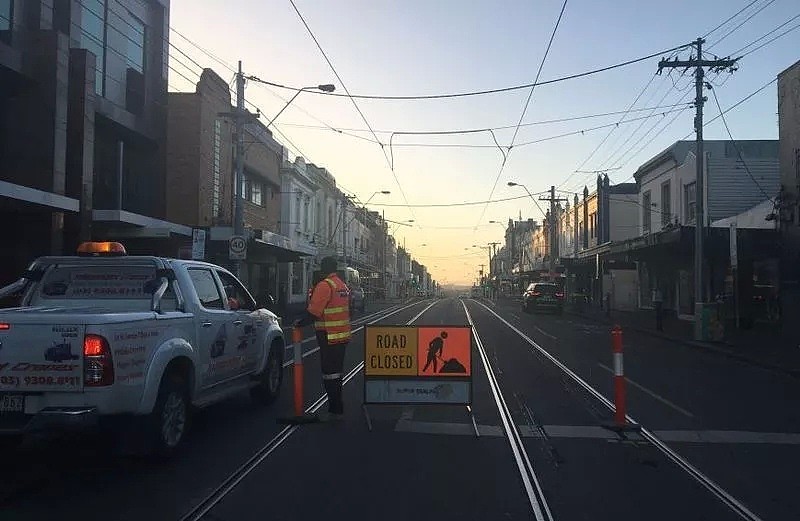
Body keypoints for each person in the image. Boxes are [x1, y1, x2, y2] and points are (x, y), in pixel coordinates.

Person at [294, 257, 351, 421]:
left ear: (324, 269)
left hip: (328, 336)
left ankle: (334, 410)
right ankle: (337, 408)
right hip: (342, 335)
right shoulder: (342, 285)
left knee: (329, 374)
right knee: (337, 373)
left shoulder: (325, 286)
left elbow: (314, 312)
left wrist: (299, 323)